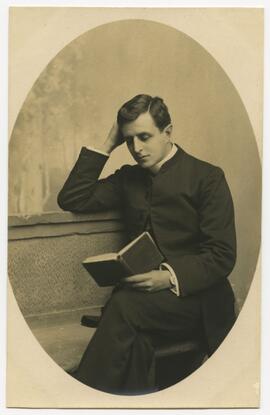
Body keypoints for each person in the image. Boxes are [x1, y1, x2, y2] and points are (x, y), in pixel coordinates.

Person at [57, 94, 237, 395]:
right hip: (145, 302)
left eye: (144, 137)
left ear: (168, 132)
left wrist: (167, 277)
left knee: (124, 306)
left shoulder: (207, 177)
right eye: (128, 140)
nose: (136, 149)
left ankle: (79, 397)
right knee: (133, 340)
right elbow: (73, 198)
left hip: (198, 301)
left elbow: (222, 255)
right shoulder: (129, 178)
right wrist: (106, 144)